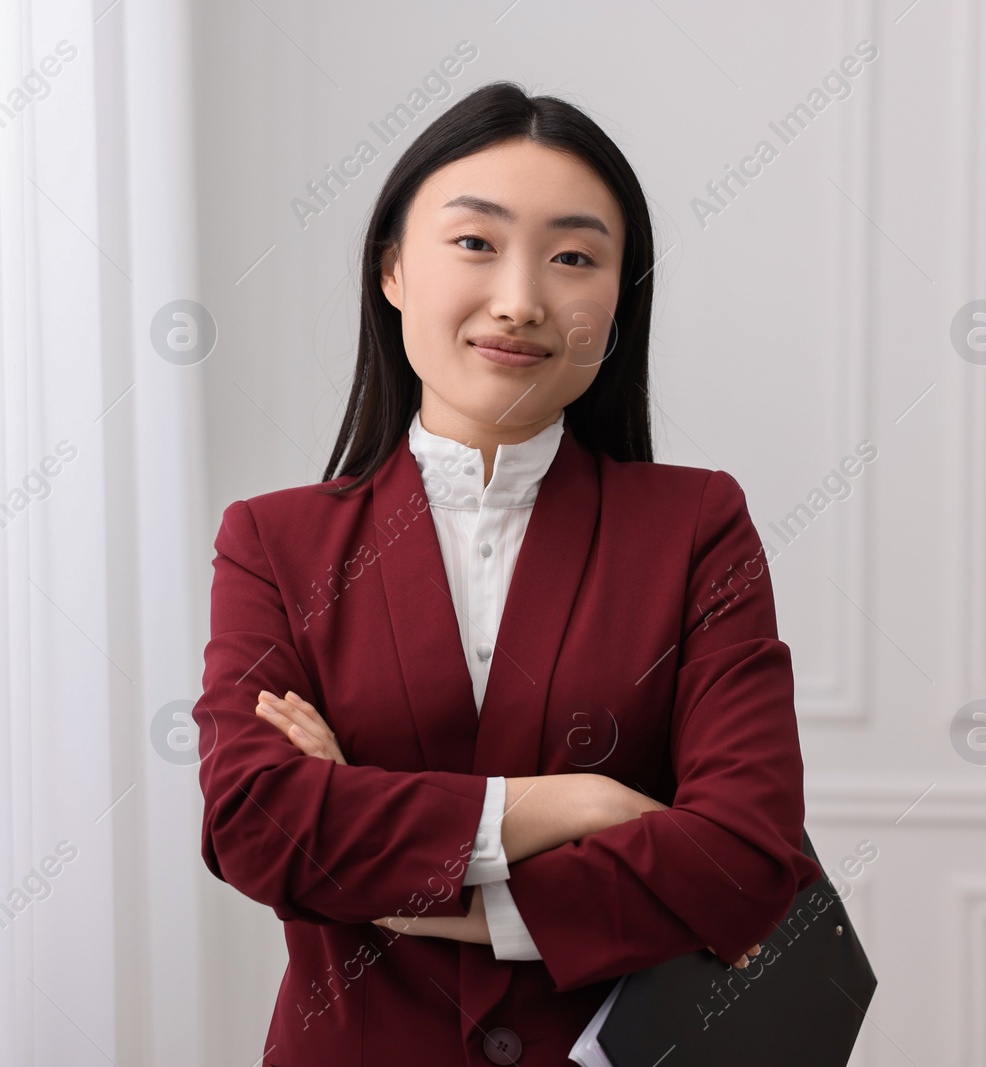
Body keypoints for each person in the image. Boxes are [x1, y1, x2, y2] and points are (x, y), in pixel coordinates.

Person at [192, 80, 821, 1067]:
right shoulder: (276, 544)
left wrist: (402, 890)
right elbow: (256, 827)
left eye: (573, 257)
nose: (522, 300)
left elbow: (744, 860)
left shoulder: (696, 527)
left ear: (617, 300)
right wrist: (579, 802)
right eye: (475, 243)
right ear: (394, 268)